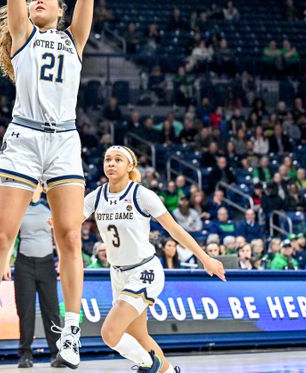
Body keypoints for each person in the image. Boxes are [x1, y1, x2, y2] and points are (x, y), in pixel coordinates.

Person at [0, 0, 100, 369]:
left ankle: (70, 332)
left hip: (64, 140)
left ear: (60, 11)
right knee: (2, 238)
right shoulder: (23, 36)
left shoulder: (73, 40)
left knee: (69, 238)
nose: (38, 1)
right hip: (24, 139)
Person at [83, 146, 225, 372]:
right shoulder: (96, 196)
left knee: (110, 333)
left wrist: (204, 257)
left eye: (118, 160)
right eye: (108, 159)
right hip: (118, 273)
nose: (111, 163)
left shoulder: (141, 195)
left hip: (144, 271)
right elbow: (71, 220)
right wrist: (56, 218)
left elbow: (175, 230)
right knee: (139, 337)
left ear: (130, 167)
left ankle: (150, 364)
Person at [14, 186, 61, 368]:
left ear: (41, 189)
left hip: (47, 263)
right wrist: (4, 263)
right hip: (24, 263)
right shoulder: (18, 208)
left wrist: (63, 259)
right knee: (25, 311)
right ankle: (25, 354)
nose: (34, 189)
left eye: (37, 186)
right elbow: (9, 237)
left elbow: (57, 235)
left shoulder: (50, 208)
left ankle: (57, 353)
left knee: (52, 310)